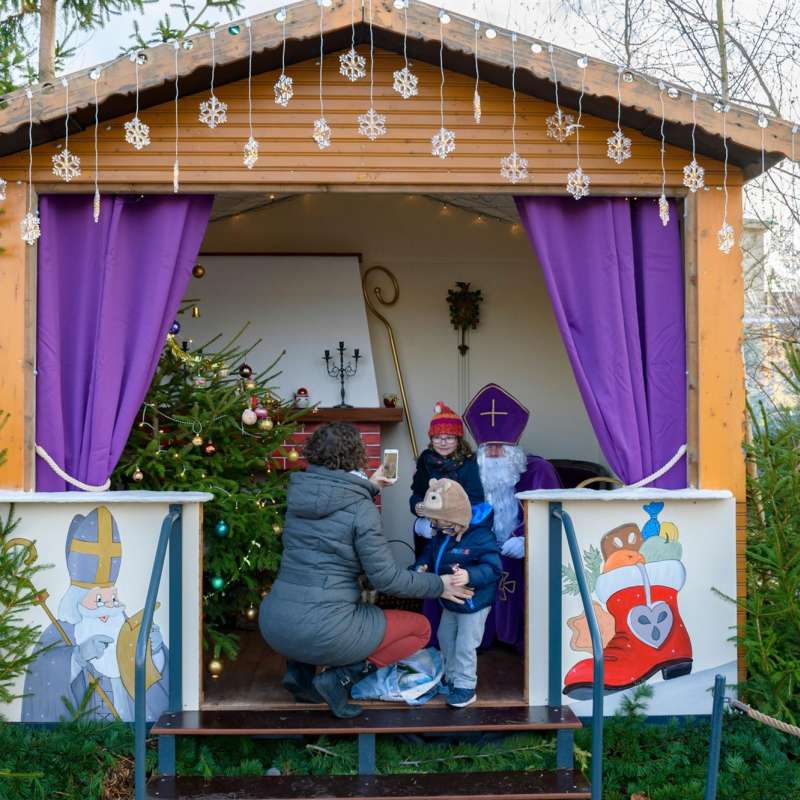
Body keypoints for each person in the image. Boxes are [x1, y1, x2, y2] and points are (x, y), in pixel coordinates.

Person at [259, 422, 474, 719]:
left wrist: (370, 488)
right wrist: (439, 584)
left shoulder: (299, 496)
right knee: (419, 629)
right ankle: (339, 679)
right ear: (356, 456)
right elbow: (385, 579)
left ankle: (300, 671)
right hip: (325, 630)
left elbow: (333, 507)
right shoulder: (361, 509)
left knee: (311, 606)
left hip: (276, 624)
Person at [464, 383, 562, 652]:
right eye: (489, 447)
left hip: (522, 553)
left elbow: (553, 515)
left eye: (501, 447)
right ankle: (478, 639)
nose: (494, 453)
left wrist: (526, 539)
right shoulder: (471, 472)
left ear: (514, 446)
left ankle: (519, 639)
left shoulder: (538, 470)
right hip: (482, 545)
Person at [413, 478, 501, 708]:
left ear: (458, 518)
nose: (443, 531)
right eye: (438, 526)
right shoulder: (445, 533)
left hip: (473, 603)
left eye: (446, 526)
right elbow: (431, 552)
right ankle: (452, 678)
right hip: (450, 602)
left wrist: (470, 575)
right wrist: (422, 565)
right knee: (445, 638)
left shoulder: (481, 537)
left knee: (465, 645)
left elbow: (493, 568)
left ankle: (465, 686)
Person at [410, 402, 484, 552]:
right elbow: (417, 494)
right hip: (430, 527)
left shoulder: (468, 462)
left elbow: (476, 500)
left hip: (459, 530)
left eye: (449, 438)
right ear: (431, 439)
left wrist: (457, 522)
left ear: (458, 440)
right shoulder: (425, 460)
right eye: (437, 437)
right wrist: (417, 506)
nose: (443, 443)